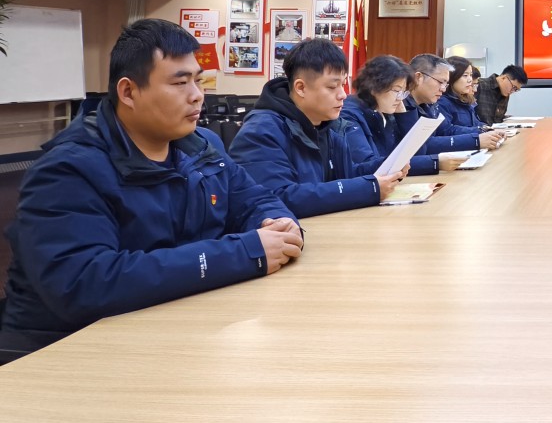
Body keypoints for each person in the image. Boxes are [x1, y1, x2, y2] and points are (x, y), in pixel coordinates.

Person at [0, 19, 302, 361]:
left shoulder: (201, 146)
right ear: (128, 92)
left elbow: (256, 198)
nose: (197, 95)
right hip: (66, 352)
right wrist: (243, 253)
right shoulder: (68, 170)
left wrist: (276, 223)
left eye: (198, 81)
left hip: (170, 331)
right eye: (180, 83)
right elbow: (87, 284)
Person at [229, 39, 408, 218]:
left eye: (343, 84)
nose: (343, 94)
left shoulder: (326, 125)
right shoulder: (261, 131)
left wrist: (387, 166)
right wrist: (369, 188)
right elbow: (279, 197)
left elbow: (346, 175)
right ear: (301, 88)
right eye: (332, 86)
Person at [395, 54, 495, 175]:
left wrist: (480, 131)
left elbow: (444, 130)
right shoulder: (398, 107)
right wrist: (475, 140)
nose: (443, 89)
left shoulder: (428, 105)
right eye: (440, 82)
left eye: (446, 84)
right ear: (418, 77)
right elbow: (422, 146)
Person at [340, 55, 413, 163]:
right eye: (396, 91)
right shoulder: (349, 114)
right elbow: (367, 163)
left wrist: (403, 115)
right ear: (374, 88)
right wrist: (434, 162)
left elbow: (412, 152)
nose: (400, 98)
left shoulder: (383, 111)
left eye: (403, 92)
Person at [438, 56, 488, 131]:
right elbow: (447, 131)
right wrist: (478, 131)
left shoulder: (465, 99)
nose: (470, 80)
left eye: (470, 75)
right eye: (465, 75)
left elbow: (476, 123)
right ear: (452, 77)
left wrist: (490, 129)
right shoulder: (442, 102)